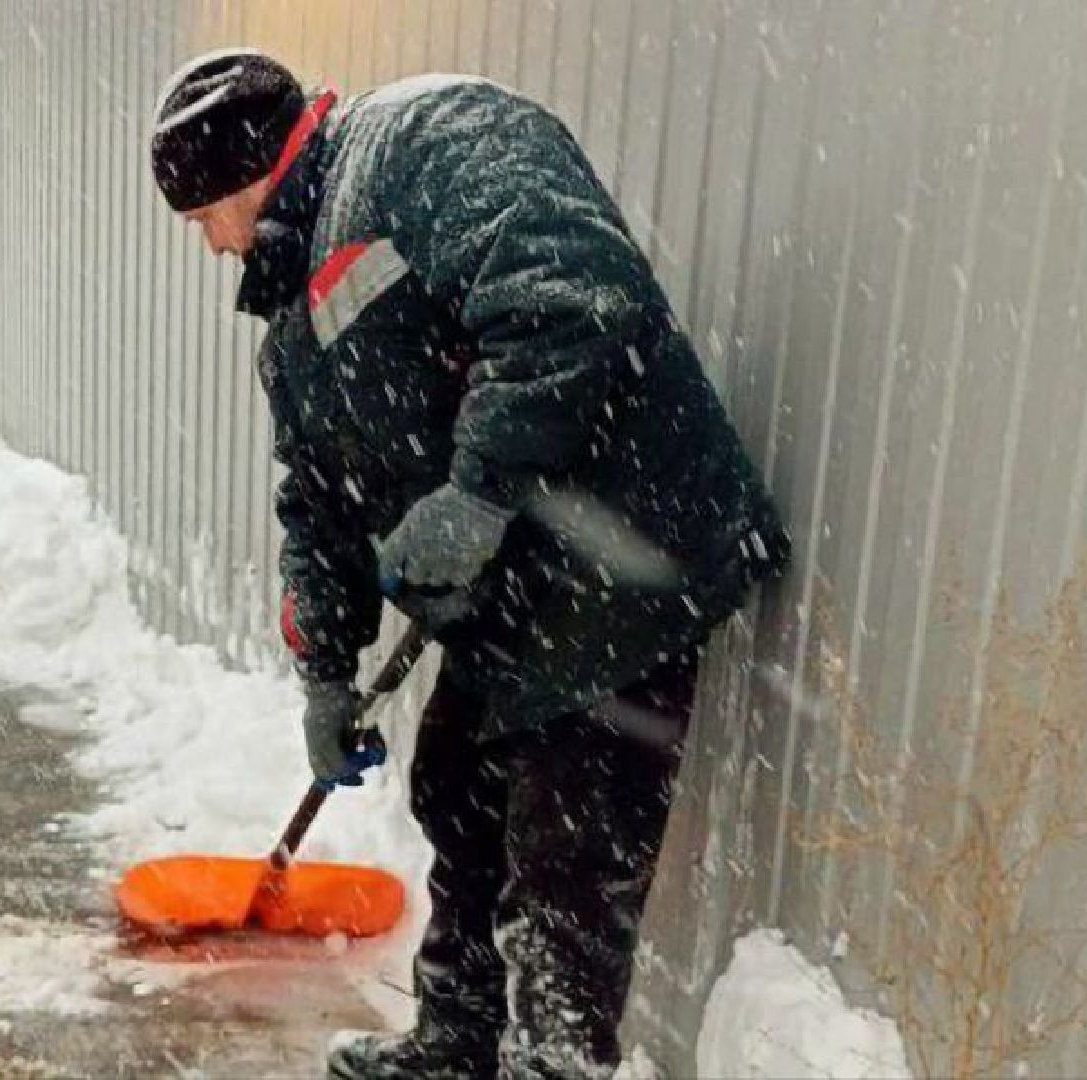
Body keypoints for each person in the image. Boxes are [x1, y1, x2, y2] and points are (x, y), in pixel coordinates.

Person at [147, 50, 791, 1079]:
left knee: (567, 844)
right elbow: (318, 508)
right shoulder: (293, 331)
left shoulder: (427, 142)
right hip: (521, 587)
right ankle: (459, 1044)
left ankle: (553, 1063)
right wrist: (325, 669)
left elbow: (570, 297)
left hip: (625, 558)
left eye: (203, 219)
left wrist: (478, 491)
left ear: (245, 174)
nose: (212, 246)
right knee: (455, 787)